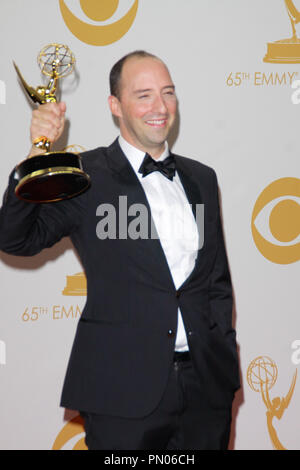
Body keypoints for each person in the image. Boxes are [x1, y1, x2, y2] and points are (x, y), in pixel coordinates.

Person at [0, 51, 240, 450]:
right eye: (143, 95)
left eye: (167, 93)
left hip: (205, 390)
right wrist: (37, 156)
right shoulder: (85, 175)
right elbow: (14, 238)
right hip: (121, 392)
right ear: (116, 106)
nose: (159, 107)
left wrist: (222, 354)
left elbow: (216, 281)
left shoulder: (202, 177)